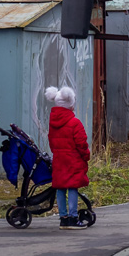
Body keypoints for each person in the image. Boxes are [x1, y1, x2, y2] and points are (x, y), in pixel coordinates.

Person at [45, 85, 91, 229]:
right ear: (70, 104)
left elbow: (51, 141)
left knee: (60, 187)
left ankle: (63, 218)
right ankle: (73, 217)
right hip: (73, 160)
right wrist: (86, 156)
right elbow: (81, 143)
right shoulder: (75, 123)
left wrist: (57, 152)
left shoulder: (53, 124)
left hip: (59, 159)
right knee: (72, 187)